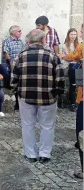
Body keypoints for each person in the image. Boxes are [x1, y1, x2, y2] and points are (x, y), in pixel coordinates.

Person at [11, 29, 65, 164]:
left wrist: (16, 90)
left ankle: (31, 154)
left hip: (25, 96)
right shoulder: (52, 56)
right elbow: (60, 76)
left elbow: (14, 78)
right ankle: (45, 154)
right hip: (48, 96)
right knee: (47, 126)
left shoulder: (21, 56)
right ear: (43, 40)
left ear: (28, 41)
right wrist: (58, 92)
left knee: (27, 125)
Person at [61, 24, 83, 178]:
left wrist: (60, 55)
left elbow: (71, 56)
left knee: (81, 131)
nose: (80, 33)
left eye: (81, 31)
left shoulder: (82, 46)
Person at [59, 28, 79, 111]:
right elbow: (67, 57)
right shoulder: (64, 45)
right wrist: (67, 57)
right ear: (68, 35)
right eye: (71, 34)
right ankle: (63, 101)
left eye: (75, 34)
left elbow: (76, 57)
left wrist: (66, 57)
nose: (73, 36)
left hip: (75, 67)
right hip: (65, 67)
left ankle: (73, 102)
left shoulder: (78, 45)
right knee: (65, 84)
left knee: (74, 85)